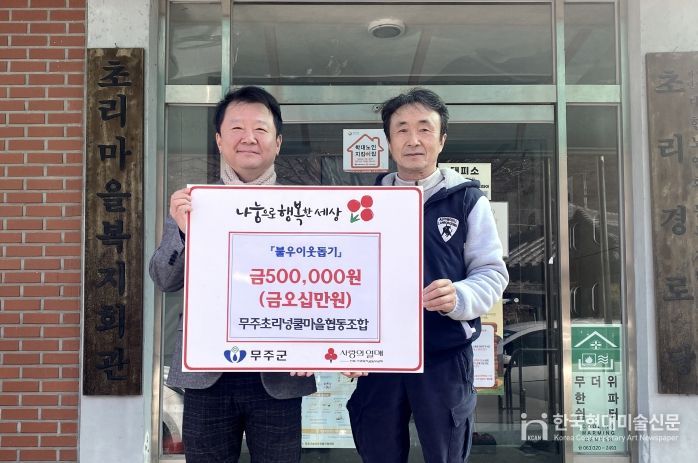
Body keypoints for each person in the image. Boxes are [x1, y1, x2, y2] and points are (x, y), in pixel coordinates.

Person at [149, 86, 316, 463]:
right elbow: (163, 279)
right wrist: (183, 234)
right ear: (219, 141)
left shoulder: (307, 207)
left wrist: (317, 346)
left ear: (277, 143)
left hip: (279, 374)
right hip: (207, 373)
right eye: (237, 128)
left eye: (260, 129)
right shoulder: (193, 203)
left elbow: (324, 283)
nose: (249, 138)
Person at [345, 88, 509, 463]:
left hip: (444, 354)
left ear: (442, 139)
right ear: (389, 141)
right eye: (402, 129)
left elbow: (491, 272)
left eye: (424, 128)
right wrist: (349, 344)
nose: (413, 139)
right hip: (380, 357)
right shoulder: (364, 204)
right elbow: (349, 278)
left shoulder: (468, 200)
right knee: (378, 449)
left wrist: (459, 297)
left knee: (446, 453)